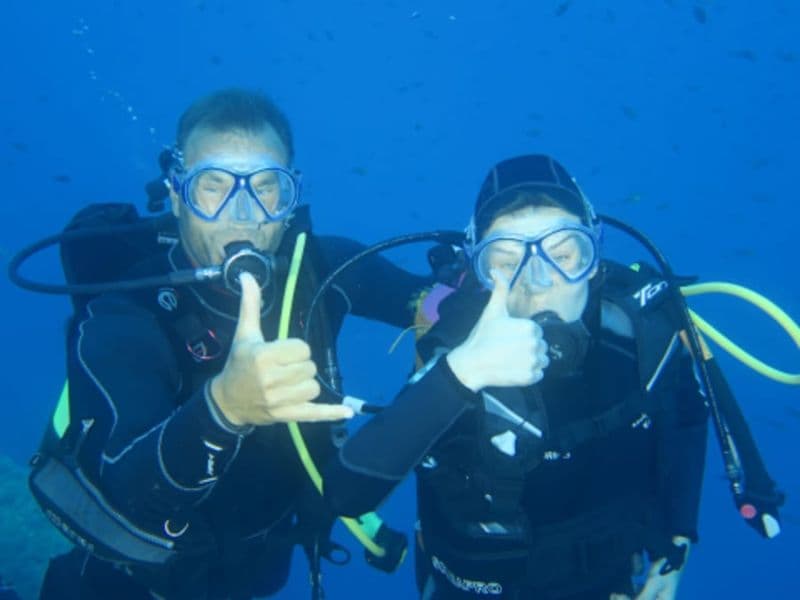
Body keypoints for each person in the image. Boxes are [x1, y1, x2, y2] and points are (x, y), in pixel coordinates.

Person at [34, 88, 428, 599]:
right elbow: (122, 498)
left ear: (291, 199)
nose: (242, 214)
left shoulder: (323, 272)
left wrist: (468, 292)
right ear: (176, 194)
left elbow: (428, 303)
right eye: (212, 186)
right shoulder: (126, 314)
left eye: (266, 188)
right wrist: (223, 410)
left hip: (262, 571)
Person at [325, 155, 710, 599]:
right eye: (507, 262)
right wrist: (461, 375)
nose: (539, 281)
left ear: (594, 256)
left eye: (565, 254)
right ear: (480, 272)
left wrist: (678, 538)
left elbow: (686, 418)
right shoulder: (456, 353)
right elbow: (345, 495)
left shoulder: (645, 335)